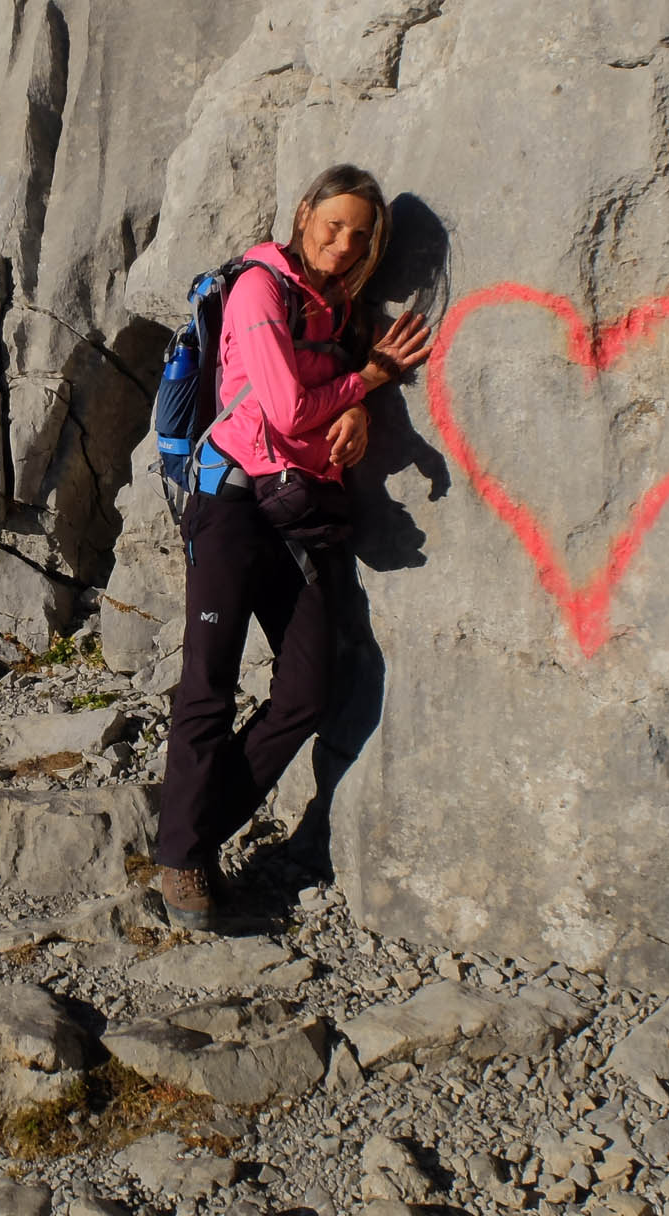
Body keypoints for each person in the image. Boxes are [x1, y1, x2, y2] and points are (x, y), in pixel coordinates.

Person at [158, 163, 432, 931]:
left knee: (308, 690)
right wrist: (372, 379)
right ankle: (182, 862)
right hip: (231, 502)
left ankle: (191, 835)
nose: (343, 244)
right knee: (207, 683)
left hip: (297, 508)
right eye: (332, 224)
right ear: (304, 211)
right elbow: (281, 408)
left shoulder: (330, 304)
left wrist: (361, 406)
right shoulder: (258, 288)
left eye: (360, 234)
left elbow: (320, 396)